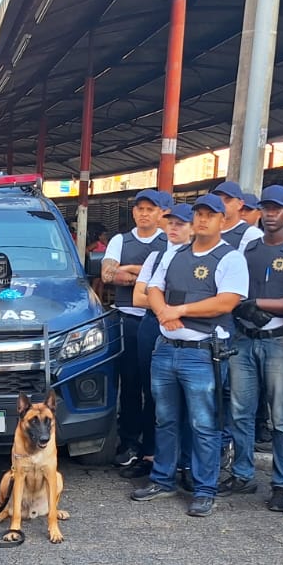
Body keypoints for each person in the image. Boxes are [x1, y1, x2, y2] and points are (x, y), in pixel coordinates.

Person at [130, 194, 249, 517]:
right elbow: (154, 289)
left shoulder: (230, 258)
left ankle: (204, 487)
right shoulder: (175, 254)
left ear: (223, 221)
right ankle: (163, 479)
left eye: (210, 215)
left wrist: (177, 310)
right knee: (165, 419)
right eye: (198, 214)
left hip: (202, 353)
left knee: (203, 423)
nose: (202, 220)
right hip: (167, 349)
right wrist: (164, 313)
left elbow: (226, 302)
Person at [226, 186, 283, 511]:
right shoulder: (249, 248)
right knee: (240, 413)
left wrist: (259, 303)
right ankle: (243, 474)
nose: (271, 213)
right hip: (245, 339)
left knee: (282, 418)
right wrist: (243, 306)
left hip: (279, 341)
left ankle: (282, 483)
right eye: (266, 208)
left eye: (277, 208)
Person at [122, 203, 194, 482]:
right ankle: (151, 455)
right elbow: (138, 297)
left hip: (185, 325)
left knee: (189, 398)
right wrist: (168, 308)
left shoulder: (200, 257)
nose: (174, 228)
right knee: (152, 392)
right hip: (153, 325)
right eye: (171, 223)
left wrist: (162, 304)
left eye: (180, 224)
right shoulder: (156, 256)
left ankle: (186, 463)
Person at [101, 189, 168, 472]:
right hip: (127, 319)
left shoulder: (169, 240)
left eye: (150, 209)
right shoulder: (120, 240)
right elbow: (107, 275)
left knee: (155, 387)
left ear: (160, 213)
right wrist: (149, 275)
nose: (143, 213)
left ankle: (152, 447)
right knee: (129, 385)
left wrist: (129, 270)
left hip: (157, 321)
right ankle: (128, 442)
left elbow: (171, 274)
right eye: (139, 208)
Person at [211, 181, 261, 250]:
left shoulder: (252, 234)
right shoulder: (207, 230)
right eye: (218, 200)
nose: (222, 204)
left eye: (227, 200)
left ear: (240, 204)